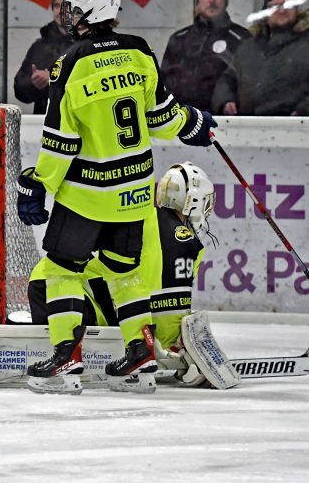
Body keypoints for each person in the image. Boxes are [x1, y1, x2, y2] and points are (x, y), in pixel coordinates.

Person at [15, 0, 217, 395]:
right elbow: (162, 120)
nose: (68, 14)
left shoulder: (70, 63)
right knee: (124, 273)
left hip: (88, 198)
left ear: (88, 11)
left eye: (73, 7)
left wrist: (37, 182)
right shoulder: (140, 51)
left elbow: (61, 142)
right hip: (136, 194)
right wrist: (193, 122)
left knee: (60, 269)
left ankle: (66, 359)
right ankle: (138, 357)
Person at [25, 161, 218, 387]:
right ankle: (68, 352)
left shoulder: (141, 216)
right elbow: (168, 307)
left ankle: (81, 349)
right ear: (192, 200)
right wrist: (176, 348)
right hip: (65, 295)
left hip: (52, 287)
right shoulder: (187, 241)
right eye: (205, 201)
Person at [212, 0, 309, 116]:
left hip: (296, 129)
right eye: (274, 6)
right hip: (248, 128)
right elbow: (227, 79)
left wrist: (303, 111)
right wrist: (225, 100)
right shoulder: (248, 48)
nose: (281, 10)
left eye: (288, 5)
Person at [160, 0, 249, 112]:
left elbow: (247, 83)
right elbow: (164, 83)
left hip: (223, 121)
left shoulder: (241, 38)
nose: (211, 0)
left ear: (226, 1)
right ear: (197, 1)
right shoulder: (179, 39)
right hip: (181, 120)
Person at [13, 0, 73, 113]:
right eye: (57, 6)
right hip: (44, 123)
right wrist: (33, 83)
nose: (61, 11)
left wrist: (52, 80)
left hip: (80, 123)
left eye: (66, 6)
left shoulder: (90, 43)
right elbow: (19, 90)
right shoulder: (39, 46)